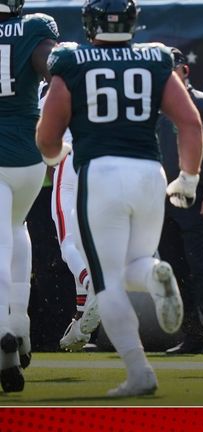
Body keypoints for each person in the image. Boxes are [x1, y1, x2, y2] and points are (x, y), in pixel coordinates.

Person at [36, 0, 203, 397]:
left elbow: (47, 135)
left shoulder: (72, 62)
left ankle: (138, 370)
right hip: (148, 173)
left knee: (106, 279)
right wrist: (189, 178)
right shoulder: (155, 59)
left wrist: (54, 157)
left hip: (101, 173)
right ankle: (153, 275)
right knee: (138, 262)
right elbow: (190, 122)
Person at [0, 0, 58, 392]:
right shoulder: (35, 27)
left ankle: (4, 338)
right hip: (28, 154)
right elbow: (56, 72)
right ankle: (20, 323)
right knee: (16, 228)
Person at [158, 47, 203, 355]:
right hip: (161, 202)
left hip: (195, 198)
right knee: (174, 268)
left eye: (170, 70)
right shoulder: (153, 107)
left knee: (199, 266)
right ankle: (192, 335)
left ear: (184, 71)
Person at [41, 83, 101, 352]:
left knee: (68, 243)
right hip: (102, 160)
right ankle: (79, 321)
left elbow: (43, 137)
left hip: (70, 160)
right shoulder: (96, 83)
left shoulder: (48, 89)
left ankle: (93, 284)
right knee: (87, 245)